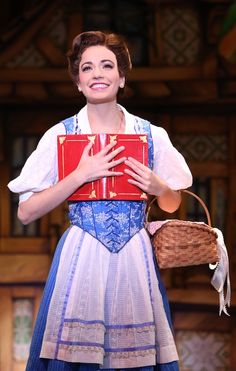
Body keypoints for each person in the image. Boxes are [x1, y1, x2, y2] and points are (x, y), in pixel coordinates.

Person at [8, 31, 192, 371]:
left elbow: (172, 204)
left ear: (121, 77)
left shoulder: (151, 135)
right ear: (78, 81)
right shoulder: (62, 134)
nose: (97, 74)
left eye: (107, 66)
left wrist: (159, 185)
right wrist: (80, 174)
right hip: (82, 254)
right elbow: (25, 212)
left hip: (135, 259)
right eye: (87, 67)